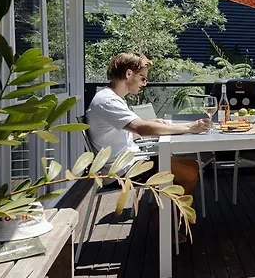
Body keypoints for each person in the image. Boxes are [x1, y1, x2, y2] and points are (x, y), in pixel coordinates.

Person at [86, 52, 211, 198]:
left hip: (131, 161)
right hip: (122, 171)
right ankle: (165, 212)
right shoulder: (108, 101)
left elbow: (126, 131)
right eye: (142, 78)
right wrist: (191, 128)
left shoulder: (112, 97)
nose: (144, 83)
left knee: (193, 165)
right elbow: (141, 129)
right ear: (128, 74)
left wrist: (149, 123)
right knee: (189, 174)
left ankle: (168, 210)